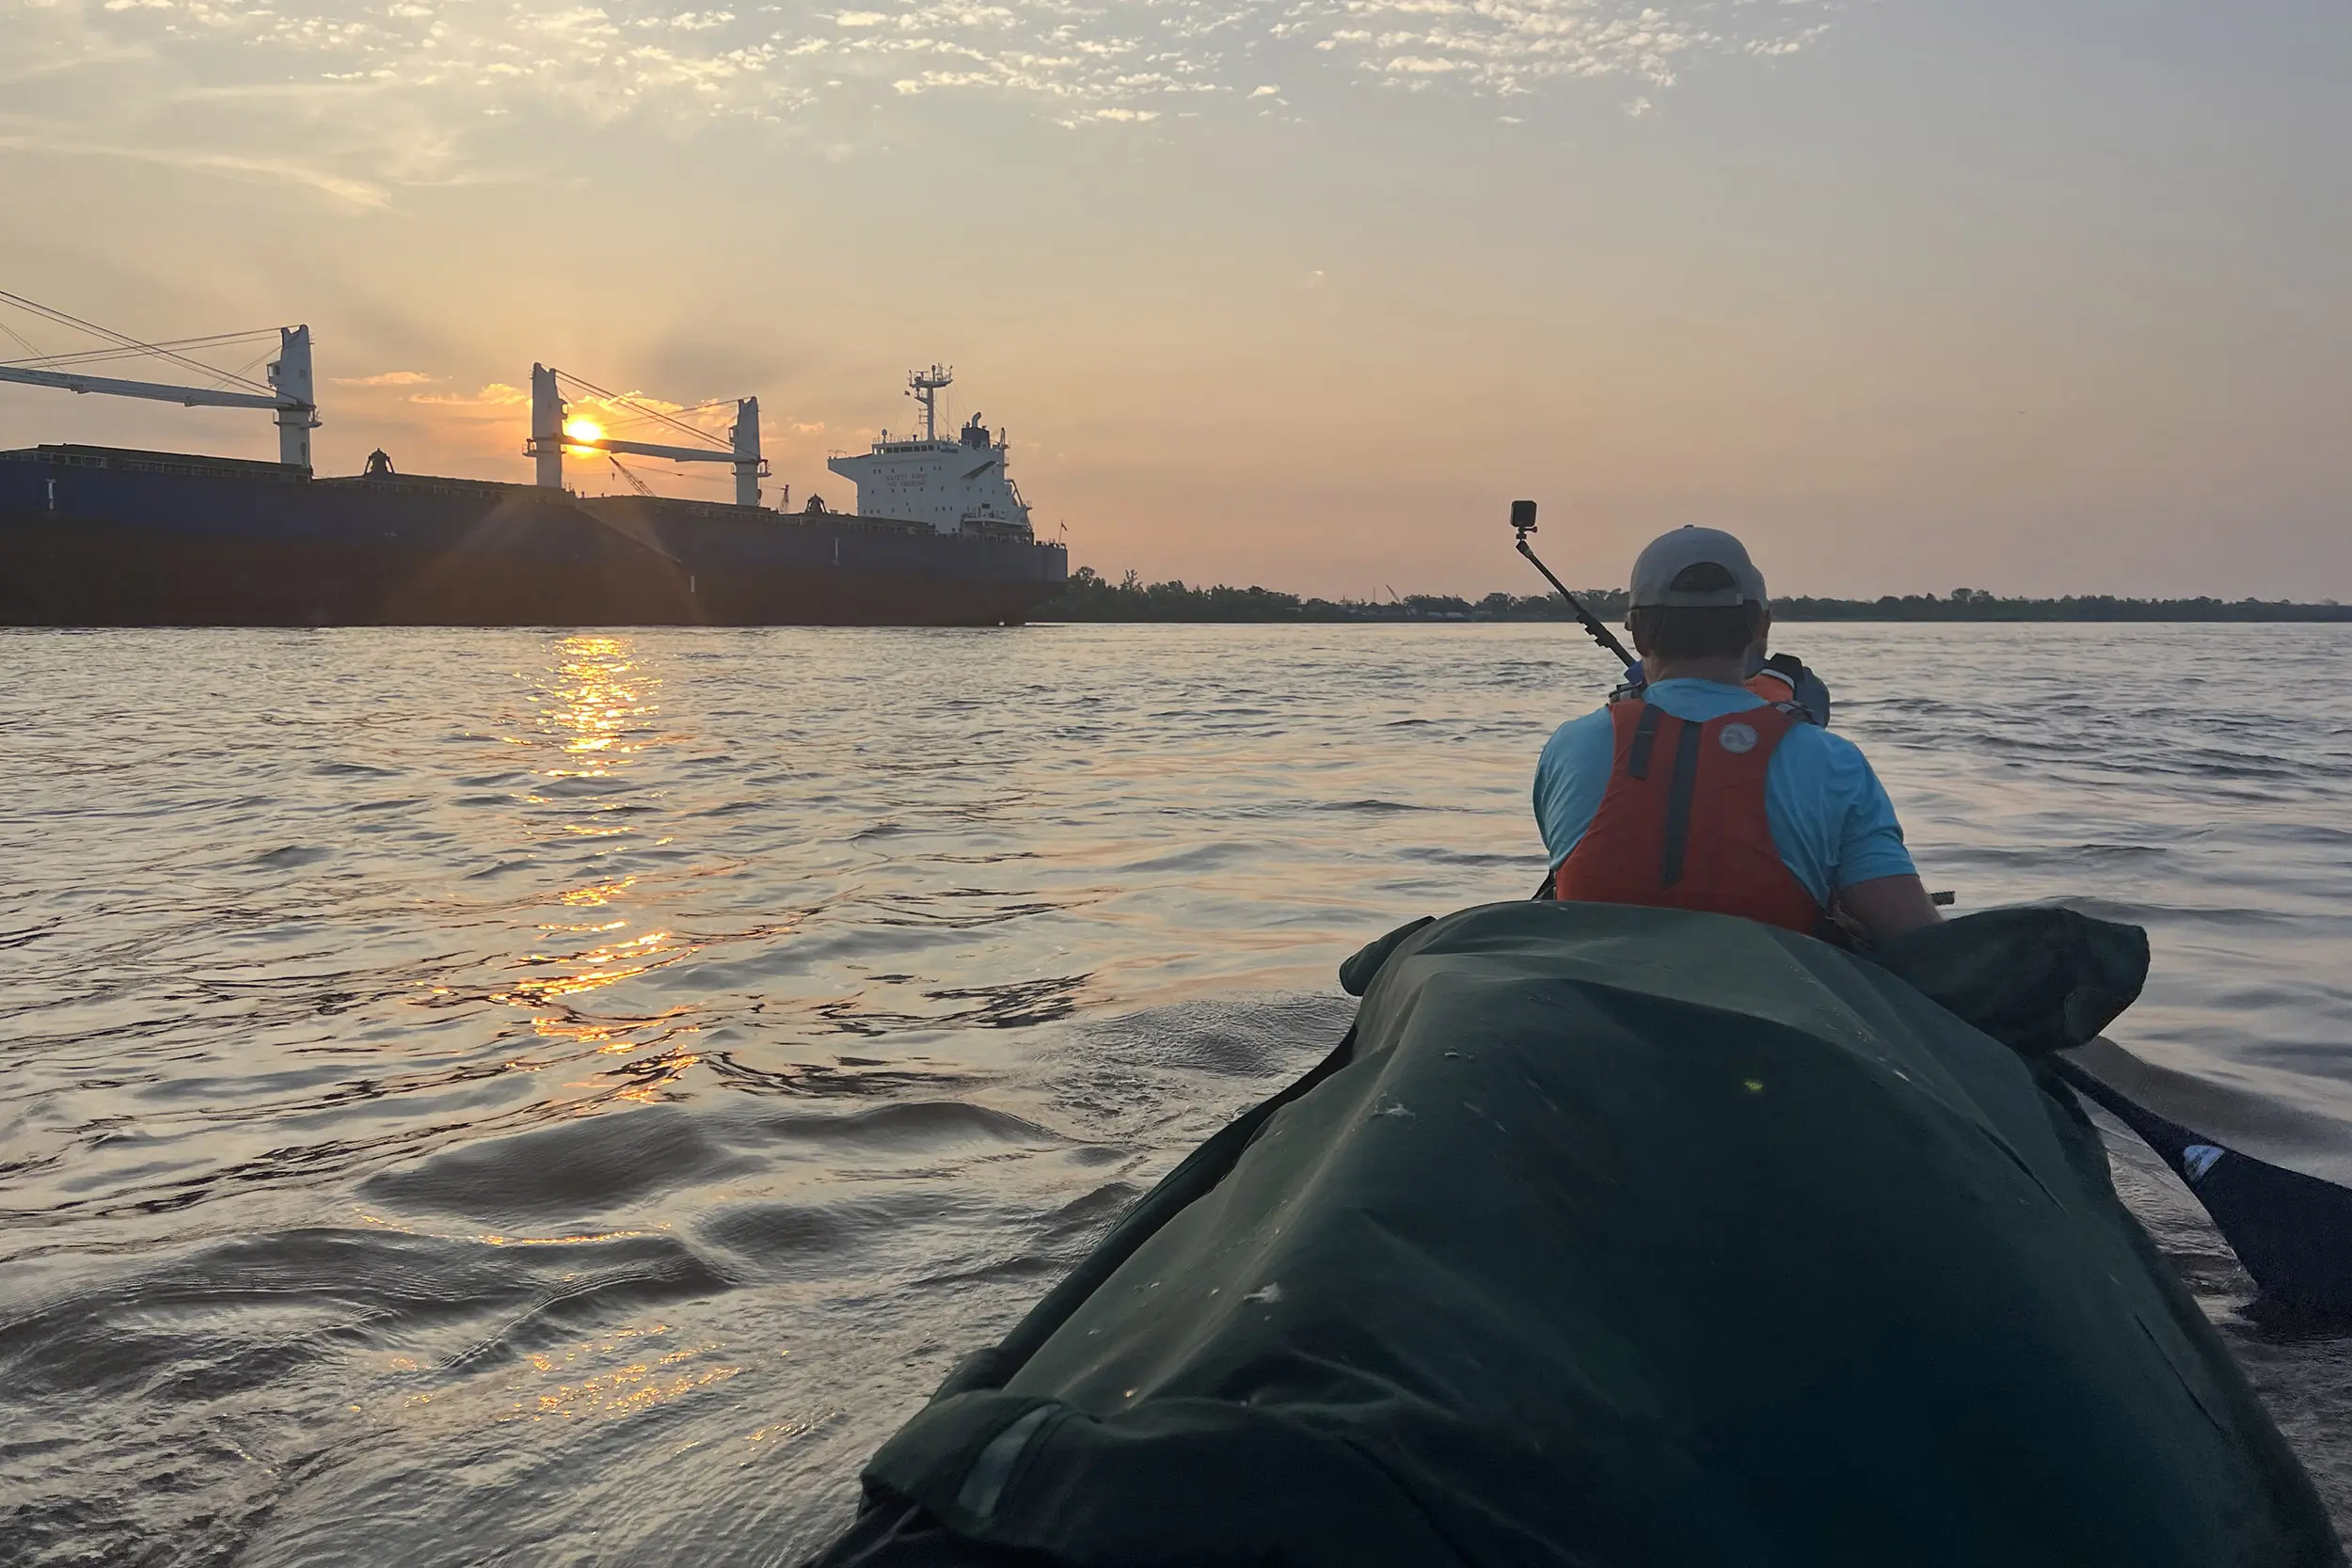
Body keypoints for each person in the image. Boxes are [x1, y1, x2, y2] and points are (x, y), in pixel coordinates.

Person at [1534, 527, 1942, 943]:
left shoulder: (1569, 746)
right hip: (1769, 1002)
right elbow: (1916, 939)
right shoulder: (1834, 761)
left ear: (1635, 632)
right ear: (1759, 628)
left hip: (1599, 1001)